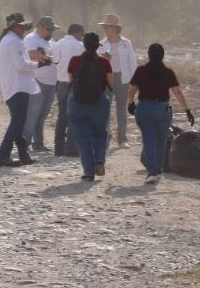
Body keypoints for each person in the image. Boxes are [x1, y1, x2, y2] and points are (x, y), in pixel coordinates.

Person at [128, 43, 195, 184]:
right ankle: (157, 170)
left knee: (148, 140)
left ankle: (152, 171)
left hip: (145, 108)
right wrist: (187, 110)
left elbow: (132, 88)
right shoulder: (168, 72)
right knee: (161, 141)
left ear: (149, 55)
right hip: (163, 110)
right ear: (163, 55)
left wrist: (130, 103)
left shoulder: (141, 70)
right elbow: (177, 92)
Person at [0, 13, 41, 168]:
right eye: (22, 26)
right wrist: (39, 64)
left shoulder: (6, 41)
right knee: (17, 123)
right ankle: (3, 155)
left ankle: (23, 155)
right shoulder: (13, 41)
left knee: (18, 123)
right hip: (17, 87)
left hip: (12, 86)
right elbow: (21, 65)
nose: (24, 29)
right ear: (14, 26)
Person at [67, 32, 114, 181]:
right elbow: (111, 85)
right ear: (97, 45)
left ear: (84, 44)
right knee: (100, 133)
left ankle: (88, 172)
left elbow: (71, 81)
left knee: (83, 137)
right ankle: (99, 160)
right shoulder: (104, 62)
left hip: (77, 103)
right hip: (99, 102)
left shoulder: (74, 61)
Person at [98, 14, 137, 147]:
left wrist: (134, 80)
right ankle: (106, 136)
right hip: (106, 78)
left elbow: (132, 62)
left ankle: (122, 139)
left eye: (107, 27)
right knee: (105, 109)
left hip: (122, 78)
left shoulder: (126, 43)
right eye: (105, 27)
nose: (105, 29)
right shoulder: (101, 44)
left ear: (115, 28)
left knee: (121, 110)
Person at [21, 16, 58, 153]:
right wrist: (48, 59)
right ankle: (24, 142)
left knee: (42, 114)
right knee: (32, 114)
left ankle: (38, 143)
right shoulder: (31, 39)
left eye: (52, 30)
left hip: (51, 82)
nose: (51, 32)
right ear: (40, 27)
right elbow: (31, 55)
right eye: (49, 29)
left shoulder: (51, 41)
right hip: (37, 81)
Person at [51, 23, 85, 156]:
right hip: (74, 84)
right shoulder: (79, 46)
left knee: (62, 116)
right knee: (74, 116)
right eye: (81, 34)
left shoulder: (57, 44)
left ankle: (58, 148)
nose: (82, 37)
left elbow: (55, 61)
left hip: (61, 84)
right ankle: (71, 149)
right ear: (77, 32)